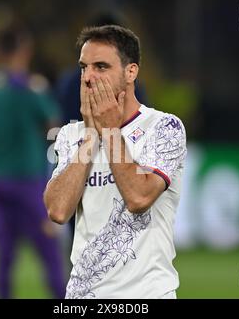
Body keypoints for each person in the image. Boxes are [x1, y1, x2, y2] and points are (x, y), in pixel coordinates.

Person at [44, 25, 187, 299]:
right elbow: (58, 211)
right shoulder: (70, 135)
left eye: (101, 67)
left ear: (131, 71)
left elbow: (138, 197)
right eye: (84, 67)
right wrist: (90, 136)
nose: (88, 78)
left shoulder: (164, 128)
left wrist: (109, 132)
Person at [0, 23, 66, 299]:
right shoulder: (30, 87)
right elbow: (53, 126)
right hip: (28, 180)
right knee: (50, 252)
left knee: (4, 255)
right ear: (24, 51)